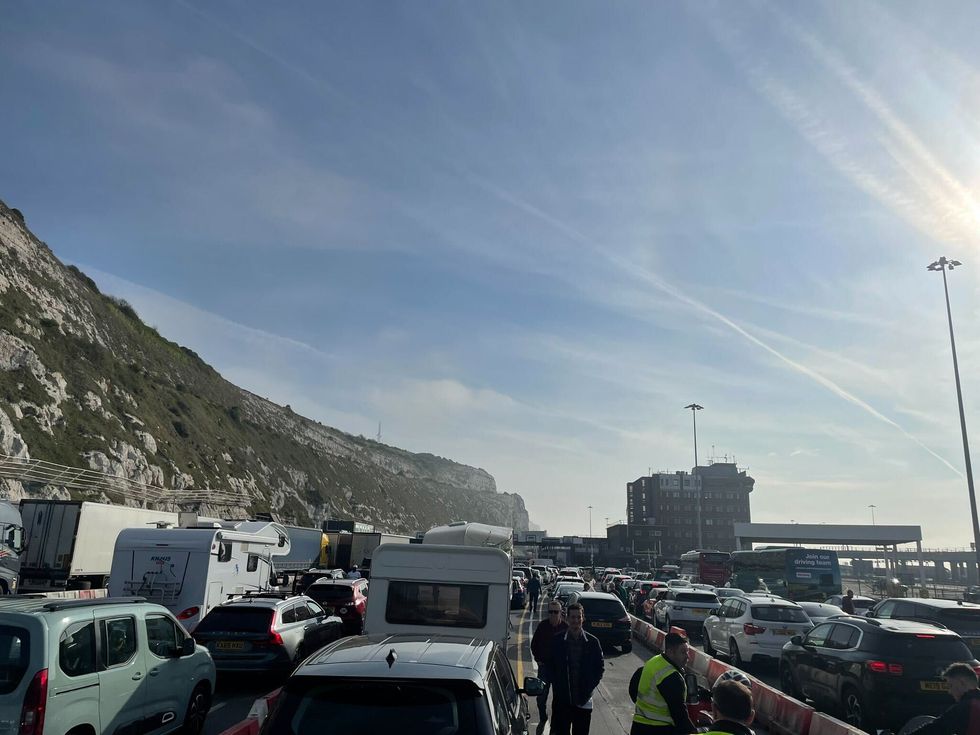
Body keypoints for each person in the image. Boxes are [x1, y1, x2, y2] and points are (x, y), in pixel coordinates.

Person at [545, 602, 605, 735]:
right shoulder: (557, 641)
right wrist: (558, 686)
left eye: (579, 617)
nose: (576, 620)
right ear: (567, 618)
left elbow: (599, 668)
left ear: (583, 618)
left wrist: (589, 687)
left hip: (584, 702)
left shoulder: (593, 642)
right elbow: (549, 665)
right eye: (573, 617)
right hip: (562, 703)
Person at [628, 632, 697, 734]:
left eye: (687, 652)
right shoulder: (671, 677)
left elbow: (633, 689)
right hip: (661, 730)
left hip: (638, 727)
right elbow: (679, 715)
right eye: (683, 652)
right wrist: (693, 732)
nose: (687, 656)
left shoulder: (653, 662)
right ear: (670, 652)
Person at [907, 663, 980, 734]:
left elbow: (934, 728)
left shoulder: (966, 708)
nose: (950, 691)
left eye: (950, 685)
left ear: (962, 682)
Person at [530, 602, 569, 733]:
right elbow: (534, 644)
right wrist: (538, 659)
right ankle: (543, 717)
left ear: (561, 613)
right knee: (541, 697)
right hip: (545, 668)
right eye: (550, 612)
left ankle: (555, 725)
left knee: (558, 700)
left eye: (555, 612)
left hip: (559, 671)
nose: (553, 614)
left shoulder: (566, 628)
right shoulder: (543, 626)